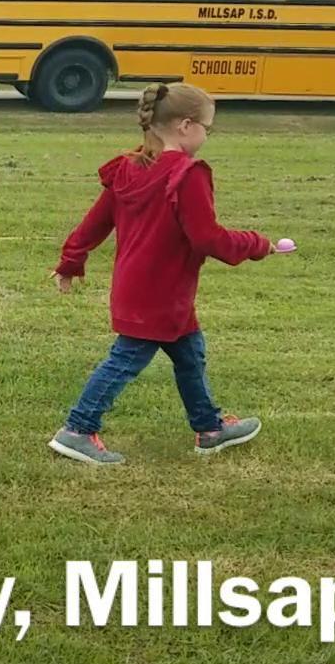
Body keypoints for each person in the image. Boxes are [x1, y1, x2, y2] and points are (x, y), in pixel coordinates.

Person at [48, 83, 274, 465]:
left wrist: (72, 260)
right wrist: (255, 243)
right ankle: (77, 429)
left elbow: (94, 222)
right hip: (160, 294)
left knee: (190, 353)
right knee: (125, 360)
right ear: (186, 126)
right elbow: (208, 238)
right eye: (208, 127)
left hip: (149, 290)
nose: (207, 135)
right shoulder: (188, 175)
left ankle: (209, 428)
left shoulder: (130, 168)